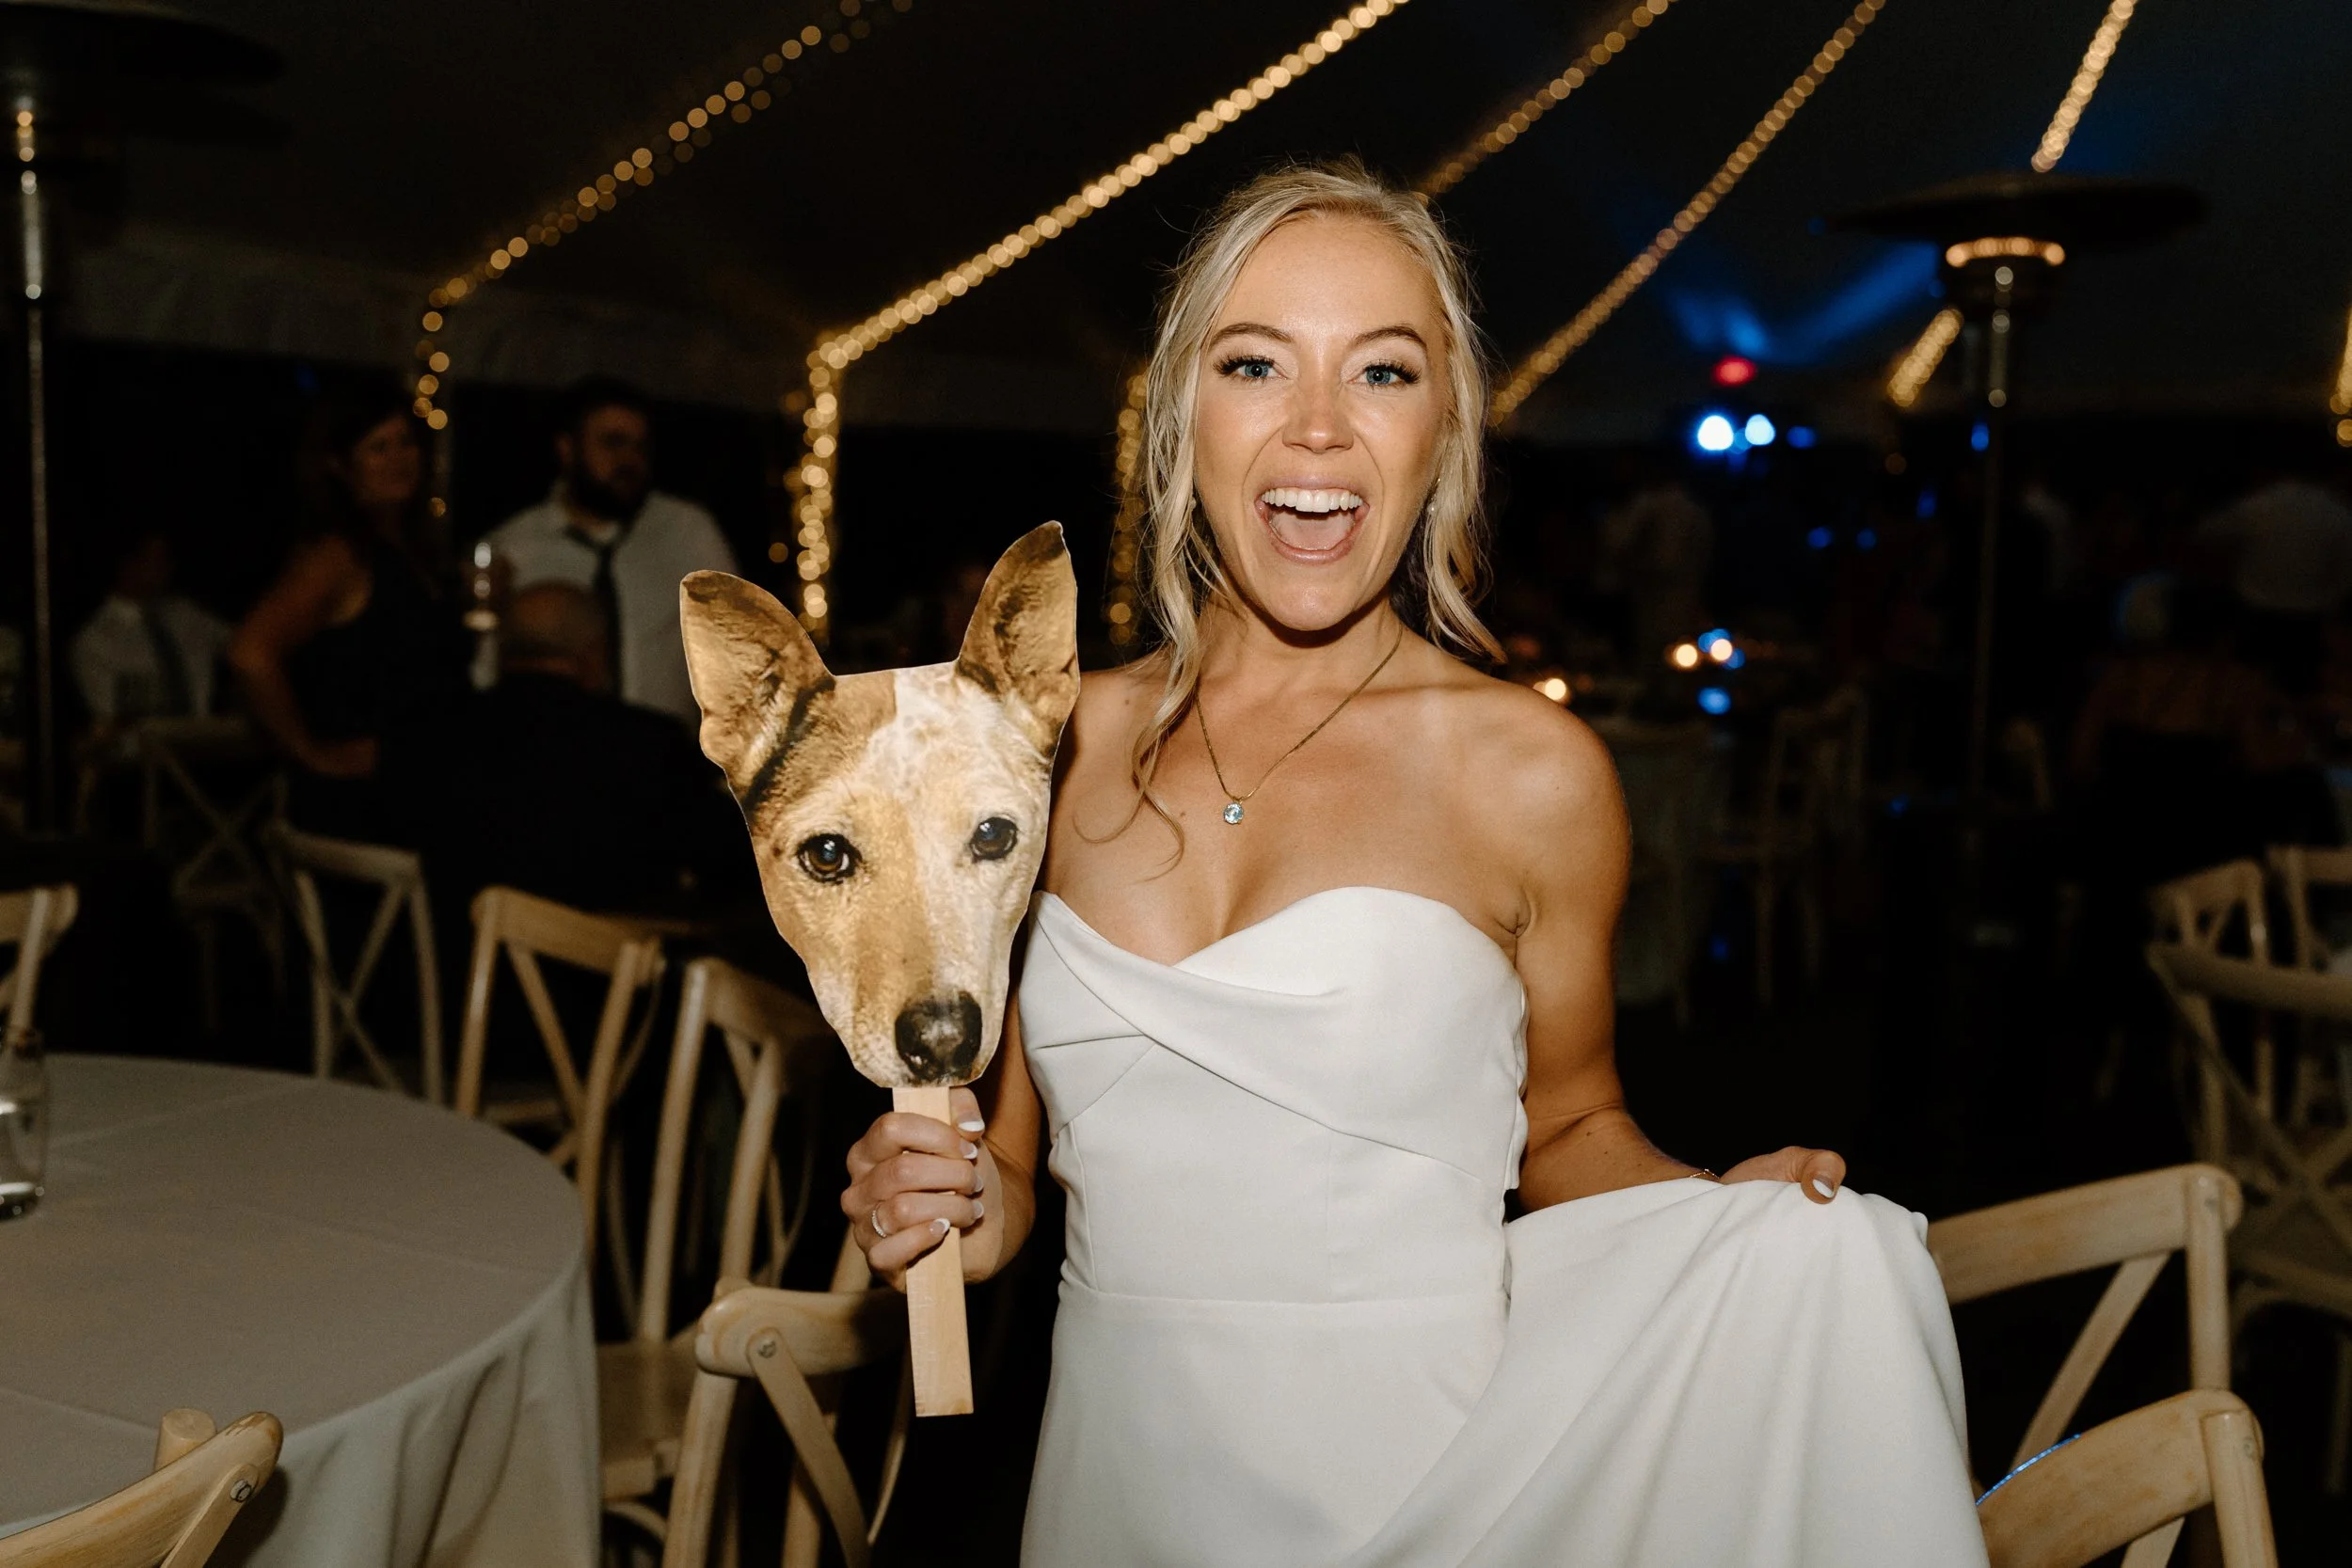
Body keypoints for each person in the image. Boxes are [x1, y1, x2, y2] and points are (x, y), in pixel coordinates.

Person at [836, 164, 1984, 1566]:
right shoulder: (1045, 748)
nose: (1318, 425)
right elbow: (1008, 1172)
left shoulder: (1533, 772)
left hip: (1434, 1480)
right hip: (1112, 1474)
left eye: (1383, 372)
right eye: (1255, 363)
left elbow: (1563, 1125)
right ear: (1184, 416)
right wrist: (942, 1206)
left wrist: (1717, 1212)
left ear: (1443, 432)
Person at [393, 582, 749, 917]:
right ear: (593, 653)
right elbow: (731, 856)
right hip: (603, 971)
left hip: (451, 969)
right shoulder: (645, 743)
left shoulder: (433, 733)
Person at [228, 382, 469, 839]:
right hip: (369, 804)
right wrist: (310, 752)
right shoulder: (338, 555)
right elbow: (250, 651)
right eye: (379, 448)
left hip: (421, 787)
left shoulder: (411, 549)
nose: (400, 458)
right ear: (340, 466)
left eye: (405, 443)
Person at [487, 377, 737, 726]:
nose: (629, 460)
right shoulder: (515, 545)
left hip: (664, 755)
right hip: (555, 752)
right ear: (567, 449)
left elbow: (737, 649)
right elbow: (487, 665)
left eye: (641, 447)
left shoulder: (688, 532)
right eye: (612, 443)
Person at [2198, 462, 2352, 694]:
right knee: (2297, 685)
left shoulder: (2259, 506)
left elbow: (2206, 533)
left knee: (2250, 682)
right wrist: (2333, 600)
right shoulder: (2336, 512)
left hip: (2258, 609)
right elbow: (2346, 571)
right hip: (2307, 616)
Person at [71, 528, 230, 729]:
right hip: (142, 754)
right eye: (157, 560)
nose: (167, 569)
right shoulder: (96, 641)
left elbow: (241, 648)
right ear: (128, 565)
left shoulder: (188, 616)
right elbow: (110, 721)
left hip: (206, 744)